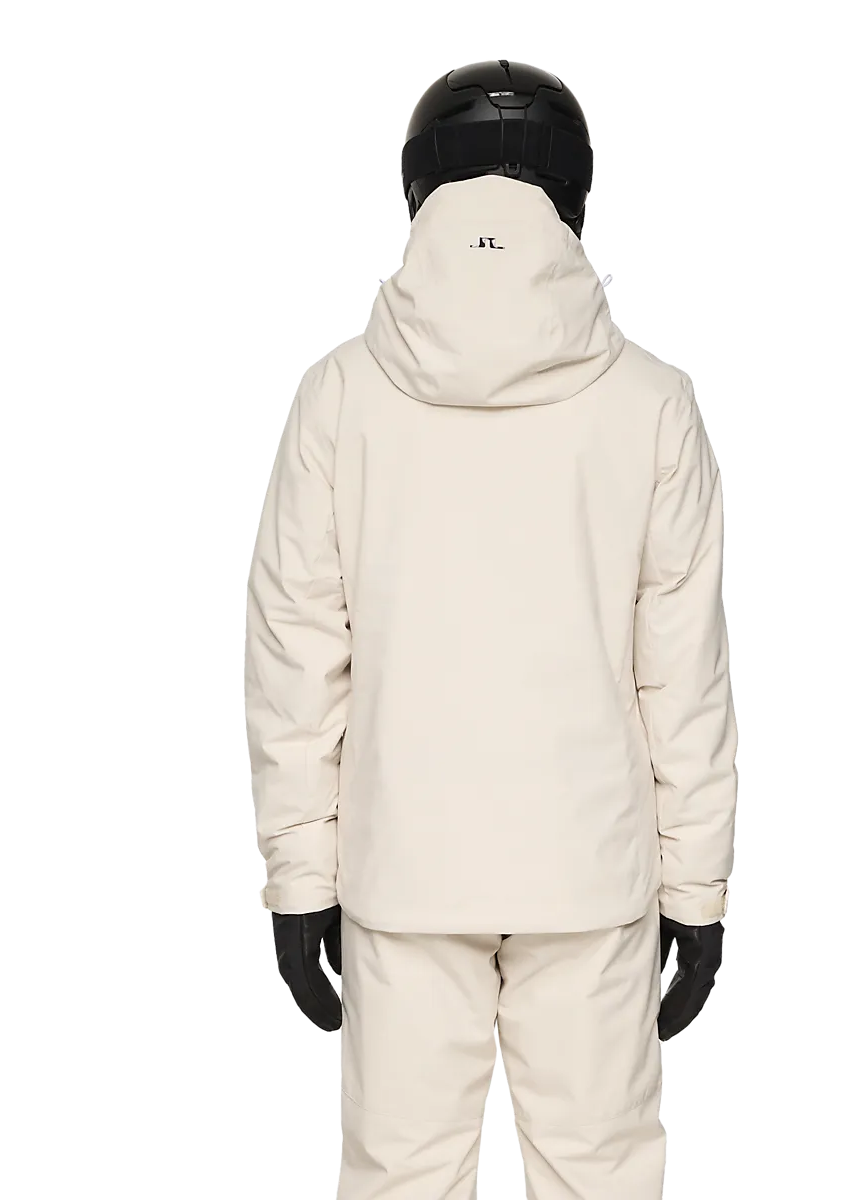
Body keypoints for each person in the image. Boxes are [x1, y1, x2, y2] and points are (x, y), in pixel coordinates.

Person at [245, 58, 738, 1198]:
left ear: (418, 185)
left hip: (401, 869)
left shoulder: (340, 395)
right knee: (601, 1177)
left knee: (402, 1180)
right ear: (577, 192)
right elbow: (683, 676)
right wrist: (698, 891)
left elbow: (297, 657)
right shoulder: (652, 403)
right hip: (593, 874)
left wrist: (297, 879)